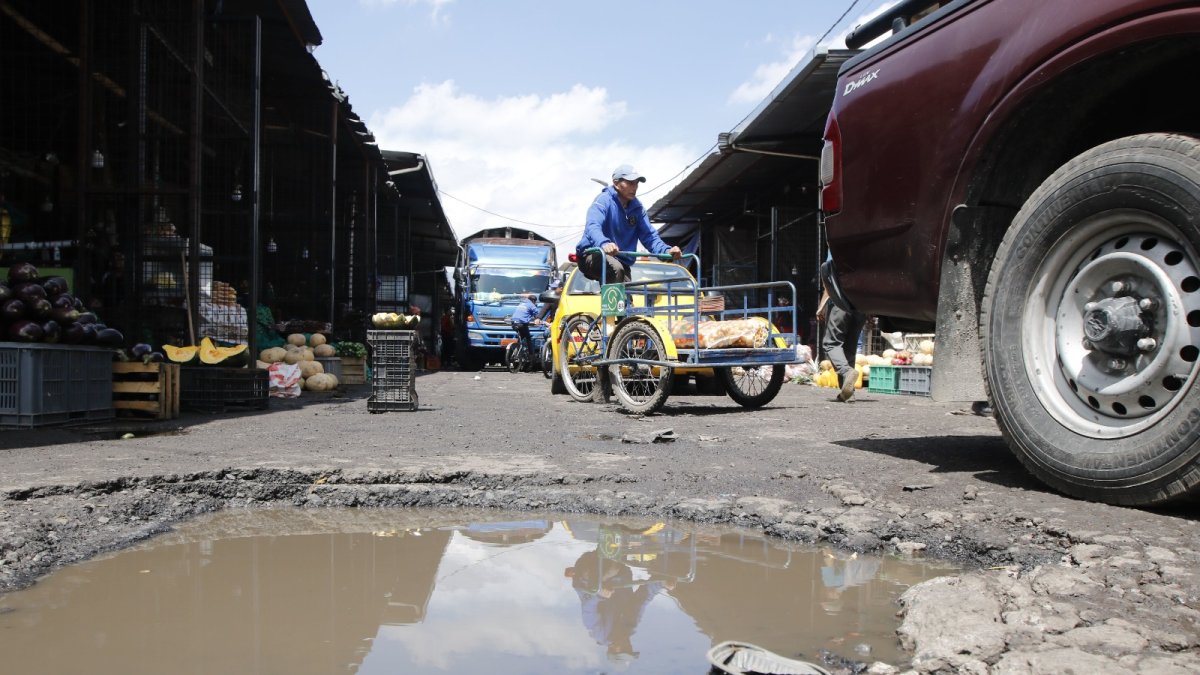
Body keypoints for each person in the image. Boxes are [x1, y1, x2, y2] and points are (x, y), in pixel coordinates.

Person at [575, 164, 682, 284]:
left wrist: (667, 251)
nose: (634, 187)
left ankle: (622, 303)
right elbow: (593, 226)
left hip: (620, 260)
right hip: (592, 255)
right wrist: (604, 244)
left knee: (626, 299)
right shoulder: (603, 200)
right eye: (630, 183)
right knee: (616, 269)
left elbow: (650, 237)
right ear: (616, 183)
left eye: (636, 183)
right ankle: (613, 302)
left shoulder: (638, 209)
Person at [817, 257, 867, 403]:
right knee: (849, 349)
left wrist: (821, 307)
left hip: (842, 302)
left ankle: (846, 372)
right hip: (861, 305)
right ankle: (847, 392)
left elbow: (830, 278)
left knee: (830, 343)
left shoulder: (838, 245)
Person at [510, 293, 543, 362]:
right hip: (521, 324)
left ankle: (516, 350)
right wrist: (538, 320)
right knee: (528, 338)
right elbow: (537, 314)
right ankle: (531, 356)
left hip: (513, 323)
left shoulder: (521, 304)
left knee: (521, 337)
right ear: (534, 301)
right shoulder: (531, 305)